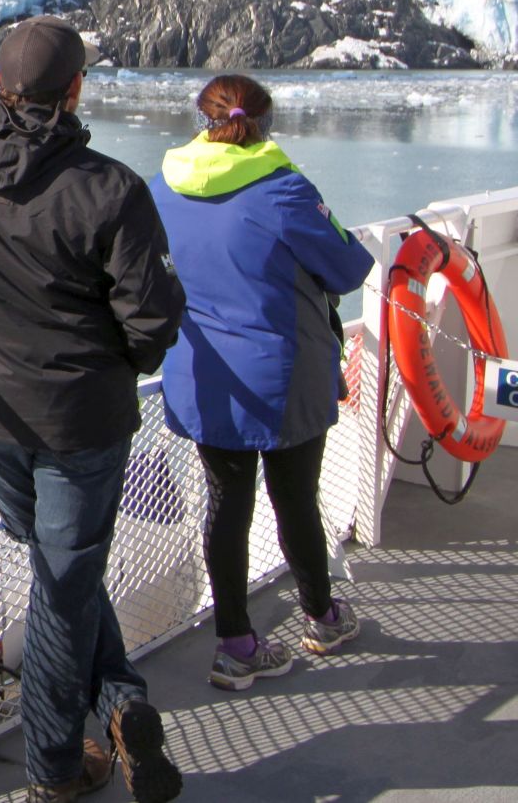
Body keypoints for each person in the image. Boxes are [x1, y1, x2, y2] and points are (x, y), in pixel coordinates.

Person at [0, 16, 186, 803]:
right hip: (81, 426)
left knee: (61, 572)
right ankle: (56, 770)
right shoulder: (111, 189)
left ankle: (121, 700)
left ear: (0, 86)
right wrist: (119, 363)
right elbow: (153, 322)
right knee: (63, 589)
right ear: (74, 91)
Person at [149, 74, 372, 692]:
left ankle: (237, 645)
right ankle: (323, 617)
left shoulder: (160, 187)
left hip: (206, 378)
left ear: (201, 120)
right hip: (283, 380)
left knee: (226, 506)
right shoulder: (284, 189)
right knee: (294, 499)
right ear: (264, 126)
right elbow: (349, 265)